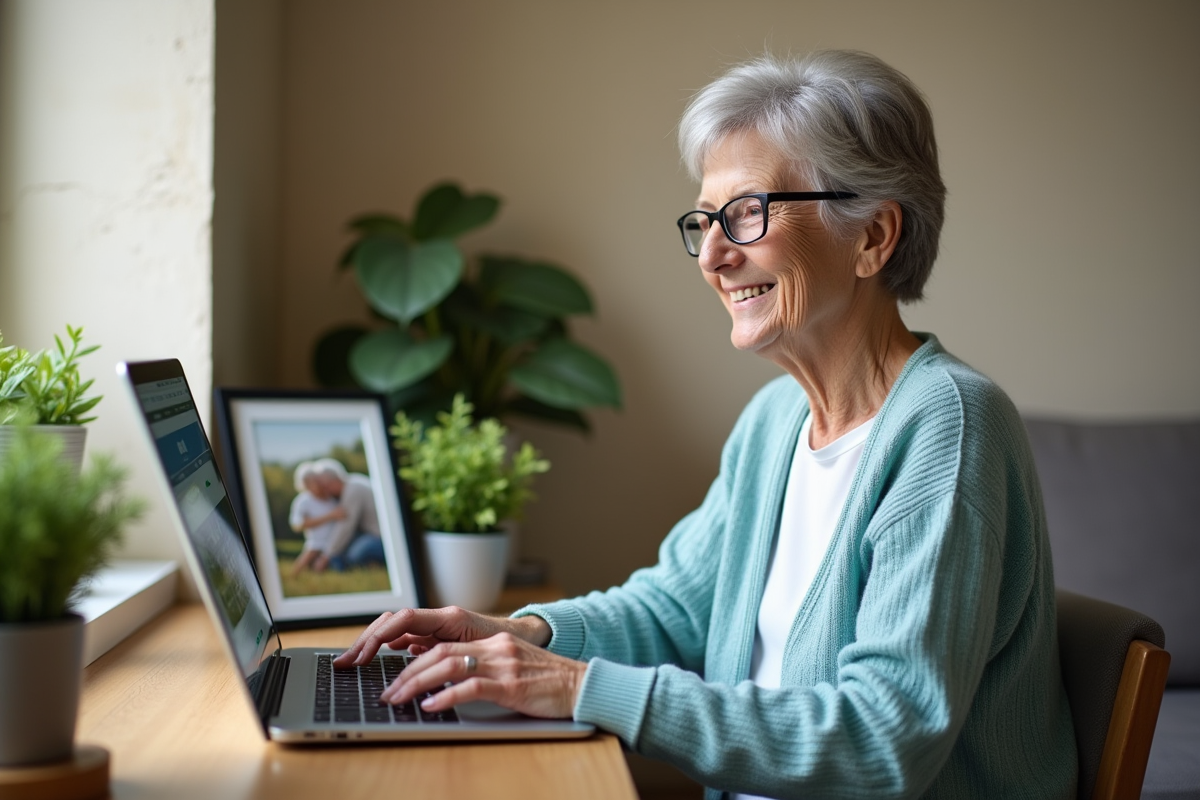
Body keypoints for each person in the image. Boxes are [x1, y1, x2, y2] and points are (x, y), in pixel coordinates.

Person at [335, 50, 1077, 798]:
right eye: (706, 220)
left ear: (873, 237)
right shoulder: (775, 421)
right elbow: (677, 609)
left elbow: (884, 739)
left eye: (747, 213)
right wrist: (522, 635)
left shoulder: (948, 427)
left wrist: (577, 687)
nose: (714, 256)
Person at [309, 458, 386, 572]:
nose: (326, 492)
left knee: (354, 555)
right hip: (373, 534)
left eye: (325, 486)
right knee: (344, 549)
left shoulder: (353, 491)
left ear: (333, 481)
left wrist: (326, 556)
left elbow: (345, 528)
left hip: (380, 537)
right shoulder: (354, 482)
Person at [286, 461, 346, 576]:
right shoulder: (303, 501)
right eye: (308, 483)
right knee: (306, 562)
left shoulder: (331, 497)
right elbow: (297, 525)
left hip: (335, 542)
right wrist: (330, 516)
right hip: (315, 543)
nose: (314, 485)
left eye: (315, 481)